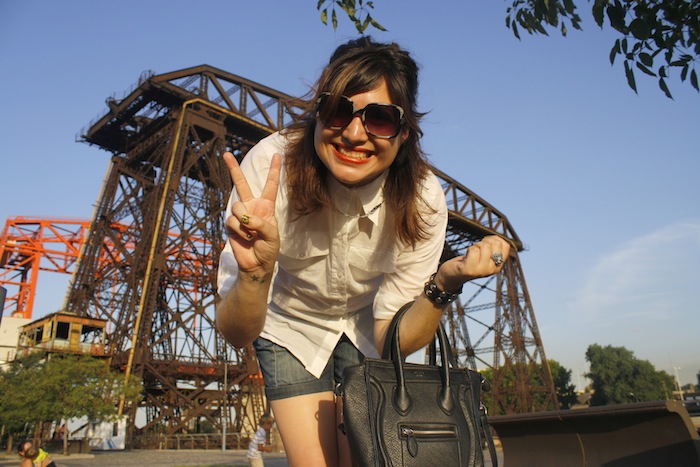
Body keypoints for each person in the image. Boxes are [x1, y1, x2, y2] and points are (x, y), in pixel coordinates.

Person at [216, 36, 510, 467]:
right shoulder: (269, 166)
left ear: (405, 132)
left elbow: (393, 338)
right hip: (288, 325)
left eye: (381, 119)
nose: (354, 134)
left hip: (368, 329)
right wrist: (255, 274)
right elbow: (236, 332)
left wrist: (445, 284)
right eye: (337, 110)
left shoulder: (424, 201)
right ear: (318, 113)